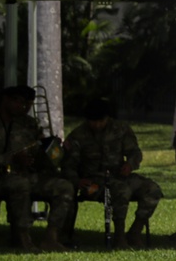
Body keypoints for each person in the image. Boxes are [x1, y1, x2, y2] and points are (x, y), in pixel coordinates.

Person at [0, 86, 74, 251]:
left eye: (29, 103)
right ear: (6, 100)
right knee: (19, 184)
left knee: (64, 187)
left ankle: (51, 237)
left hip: (27, 175)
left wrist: (55, 150)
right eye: (20, 102)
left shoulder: (29, 124)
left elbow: (40, 153)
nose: (25, 107)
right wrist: (11, 159)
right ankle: (23, 237)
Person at [63, 98, 162, 248]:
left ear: (107, 118)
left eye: (100, 121)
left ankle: (135, 231)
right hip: (93, 183)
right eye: (92, 121)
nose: (96, 125)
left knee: (152, 189)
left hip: (120, 176)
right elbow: (68, 165)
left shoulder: (121, 130)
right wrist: (77, 181)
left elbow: (135, 152)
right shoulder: (78, 135)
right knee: (121, 191)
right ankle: (119, 236)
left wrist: (130, 164)